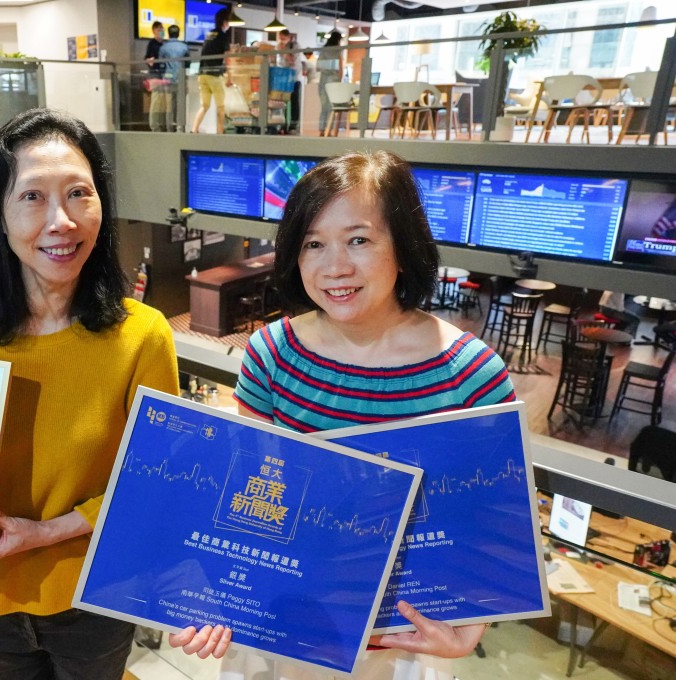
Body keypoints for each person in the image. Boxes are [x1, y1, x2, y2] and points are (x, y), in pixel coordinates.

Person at [0, 108, 228, 678]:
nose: (61, 220)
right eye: (32, 197)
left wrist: (45, 533)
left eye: (79, 193)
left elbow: (156, 482)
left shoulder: (142, 335)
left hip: (95, 594)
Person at [218, 151, 516, 680]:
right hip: (285, 619)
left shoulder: (472, 375)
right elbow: (250, 488)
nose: (335, 267)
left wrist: (481, 614)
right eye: (313, 244)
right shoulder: (270, 354)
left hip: (398, 642)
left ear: (404, 245)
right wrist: (216, 592)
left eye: (359, 239)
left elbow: (491, 514)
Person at [191, 8, 232, 134]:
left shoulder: (209, 35)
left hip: (203, 74)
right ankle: (220, 133)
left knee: (205, 105)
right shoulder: (224, 36)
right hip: (214, 75)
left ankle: (194, 130)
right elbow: (227, 58)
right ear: (225, 22)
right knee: (221, 107)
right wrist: (229, 76)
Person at [159, 24, 190, 132]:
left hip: (167, 80)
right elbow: (188, 64)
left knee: (169, 107)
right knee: (180, 105)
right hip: (180, 79)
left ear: (168, 33)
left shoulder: (163, 47)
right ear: (178, 34)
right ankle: (180, 128)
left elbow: (160, 65)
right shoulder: (184, 47)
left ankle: (169, 129)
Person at [275, 29, 306, 134]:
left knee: (294, 102)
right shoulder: (278, 46)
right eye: (280, 38)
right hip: (282, 77)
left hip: (294, 78)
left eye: (283, 38)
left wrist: (284, 50)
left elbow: (292, 61)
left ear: (288, 37)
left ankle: (293, 125)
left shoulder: (295, 45)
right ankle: (282, 125)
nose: (281, 40)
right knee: (282, 102)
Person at [316, 31, 342, 135]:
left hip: (323, 81)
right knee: (331, 107)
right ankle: (329, 130)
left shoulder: (323, 51)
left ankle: (322, 130)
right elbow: (340, 67)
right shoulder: (337, 51)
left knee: (324, 107)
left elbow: (318, 67)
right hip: (334, 81)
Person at [144, 21, 169, 132]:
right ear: (154, 31)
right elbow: (147, 59)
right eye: (159, 29)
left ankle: (163, 124)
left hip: (165, 76)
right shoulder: (152, 44)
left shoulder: (165, 44)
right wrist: (151, 61)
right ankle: (154, 126)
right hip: (156, 75)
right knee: (156, 101)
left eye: (162, 29)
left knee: (164, 102)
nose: (161, 31)